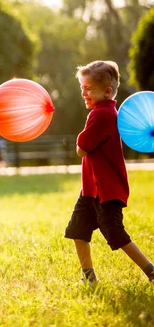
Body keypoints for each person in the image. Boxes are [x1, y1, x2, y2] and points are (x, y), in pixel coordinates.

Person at [64, 60, 154, 285]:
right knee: (77, 230)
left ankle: (151, 271)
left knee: (115, 233)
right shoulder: (107, 112)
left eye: (88, 89)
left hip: (106, 190)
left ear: (106, 91)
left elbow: (81, 149)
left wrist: (80, 139)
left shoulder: (101, 115)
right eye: (82, 88)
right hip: (90, 190)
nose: (84, 93)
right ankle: (89, 278)